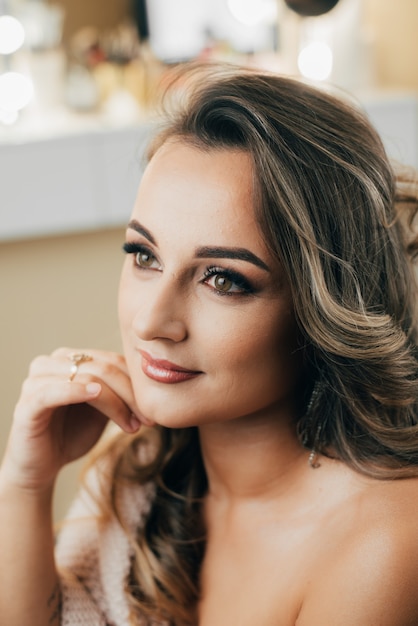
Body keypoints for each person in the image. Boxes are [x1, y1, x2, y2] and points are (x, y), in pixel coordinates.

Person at [2, 65, 418, 626]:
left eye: (223, 278)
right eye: (144, 256)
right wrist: (25, 484)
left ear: (323, 306)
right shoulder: (136, 464)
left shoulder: (383, 546)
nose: (152, 322)